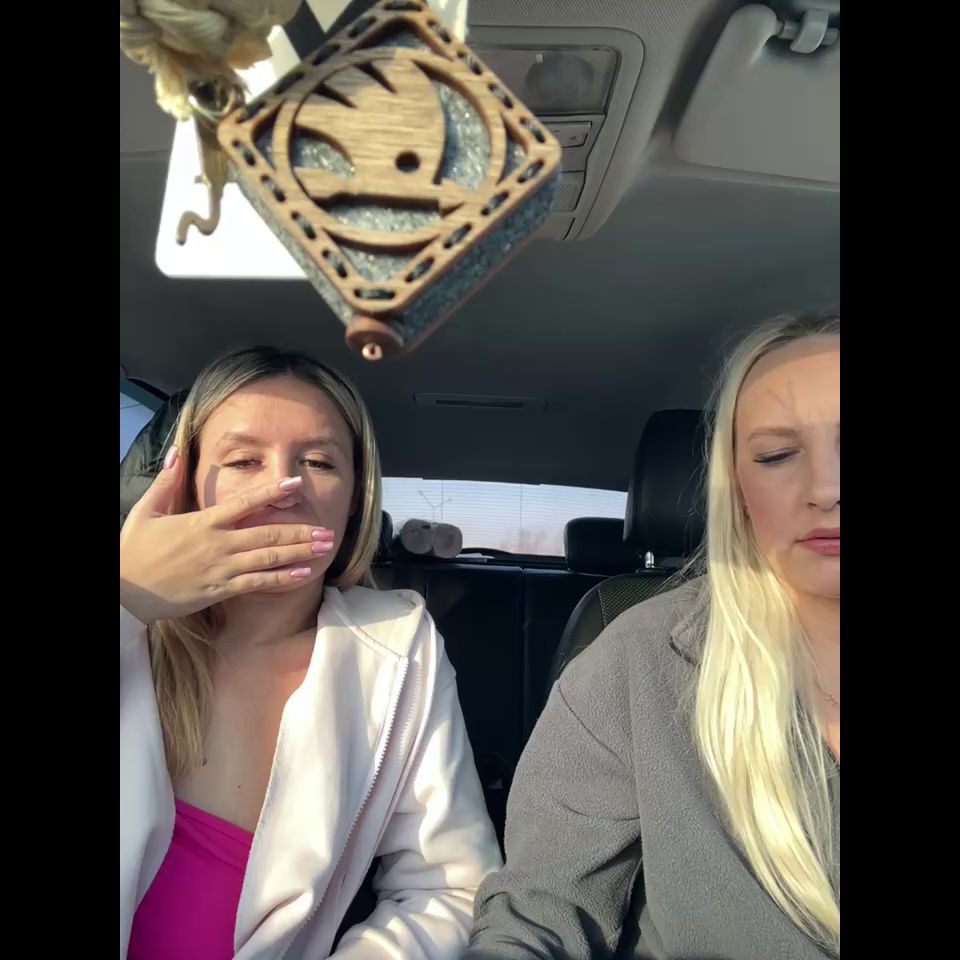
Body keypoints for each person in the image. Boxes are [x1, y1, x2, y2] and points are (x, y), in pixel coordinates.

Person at [464, 313, 840, 959]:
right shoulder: (639, 660)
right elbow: (538, 917)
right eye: (777, 455)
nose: (827, 489)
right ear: (737, 488)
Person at [120, 346, 502, 960]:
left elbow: (449, 887)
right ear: (185, 484)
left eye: (319, 462)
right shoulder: (130, 623)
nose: (283, 488)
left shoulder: (399, 647)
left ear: (354, 501)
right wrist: (127, 596)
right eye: (243, 460)